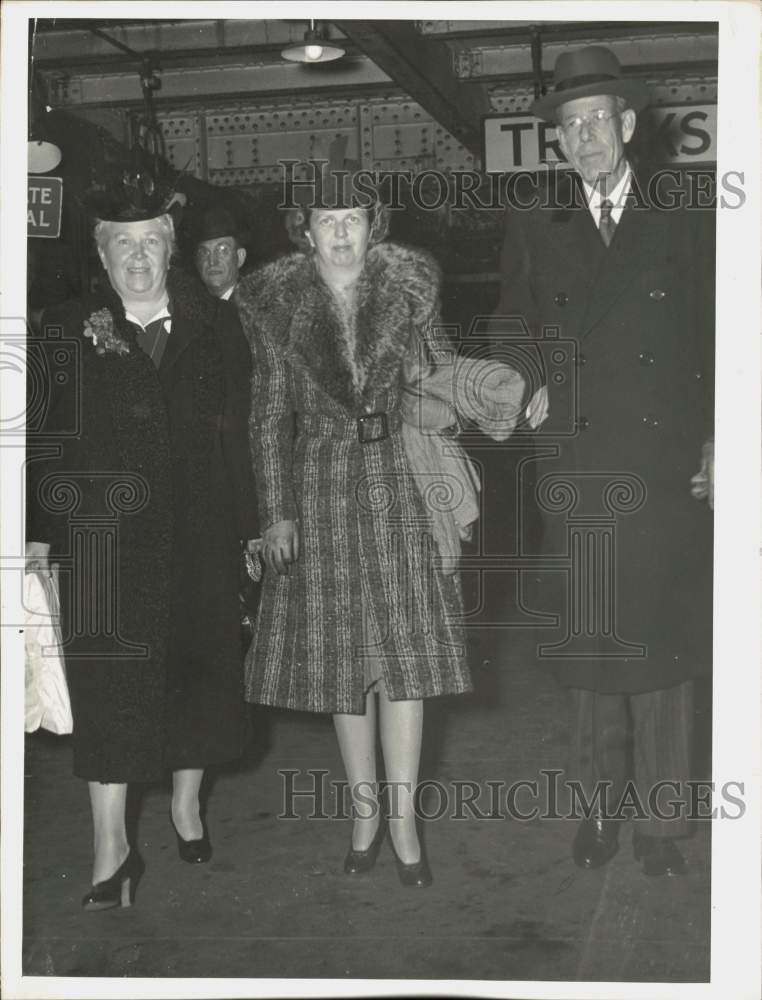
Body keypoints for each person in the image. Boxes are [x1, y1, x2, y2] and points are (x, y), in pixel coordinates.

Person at [236, 175, 524, 887]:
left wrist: (475, 402)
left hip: (399, 480)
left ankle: (403, 821)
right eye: (326, 219)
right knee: (344, 664)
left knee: (406, 662)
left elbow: (442, 384)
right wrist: (276, 510)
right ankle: (364, 811)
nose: (340, 233)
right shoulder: (276, 308)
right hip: (322, 486)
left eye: (353, 219)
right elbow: (269, 417)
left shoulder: (410, 293)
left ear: (375, 226)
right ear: (304, 229)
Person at [495, 45, 715, 876]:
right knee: (591, 654)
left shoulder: (685, 213)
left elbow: (720, 334)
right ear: (557, 142)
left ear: (627, 126)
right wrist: (527, 383)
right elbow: (510, 322)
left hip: (662, 467)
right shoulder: (534, 219)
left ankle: (661, 827)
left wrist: (721, 437)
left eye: (597, 120)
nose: (585, 137)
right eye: (569, 126)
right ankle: (597, 812)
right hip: (579, 463)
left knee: (662, 653)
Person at [25, 178, 259, 909]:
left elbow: (239, 432)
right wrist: (35, 528)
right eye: (121, 242)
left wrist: (247, 529)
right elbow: (43, 433)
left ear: (171, 246)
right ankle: (111, 848)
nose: (137, 255)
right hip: (103, 536)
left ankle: (187, 805)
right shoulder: (68, 324)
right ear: (100, 252)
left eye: (151, 240)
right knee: (110, 689)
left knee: (195, 676)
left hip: (199, 530)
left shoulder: (215, 324)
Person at [193, 205, 248, 300]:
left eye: (222, 250)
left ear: (240, 257)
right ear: (197, 262)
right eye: (204, 252)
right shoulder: (192, 307)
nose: (212, 262)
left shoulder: (254, 308)